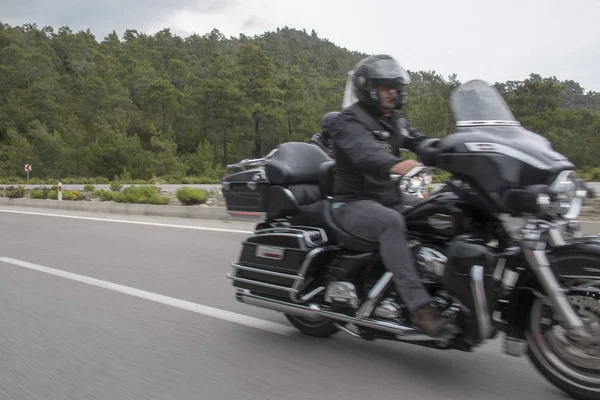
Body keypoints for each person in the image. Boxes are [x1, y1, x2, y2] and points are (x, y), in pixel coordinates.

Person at [329, 54, 459, 339]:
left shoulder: (395, 120)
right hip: (352, 204)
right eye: (386, 86)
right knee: (390, 222)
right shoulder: (347, 121)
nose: (393, 92)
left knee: (445, 210)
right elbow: (365, 154)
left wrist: (453, 152)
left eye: (396, 86)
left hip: (388, 199)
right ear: (369, 88)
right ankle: (420, 308)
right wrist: (395, 165)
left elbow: (420, 141)